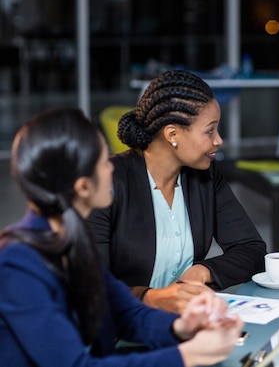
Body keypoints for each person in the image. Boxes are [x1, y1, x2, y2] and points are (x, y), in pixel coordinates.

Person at [0, 108, 243, 367]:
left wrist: (183, 326)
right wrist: (188, 356)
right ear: (83, 186)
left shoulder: (74, 240)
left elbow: (126, 313)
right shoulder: (17, 263)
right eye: (104, 162)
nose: (112, 168)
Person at [88, 70, 266, 314]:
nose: (219, 140)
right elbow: (92, 286)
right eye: (210, 131)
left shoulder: (207, 176)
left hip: (183, 325)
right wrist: (155, 298)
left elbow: (252, 249)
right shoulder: (108, 181)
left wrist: (203, 271)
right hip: (120, 331)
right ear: (172, 134)